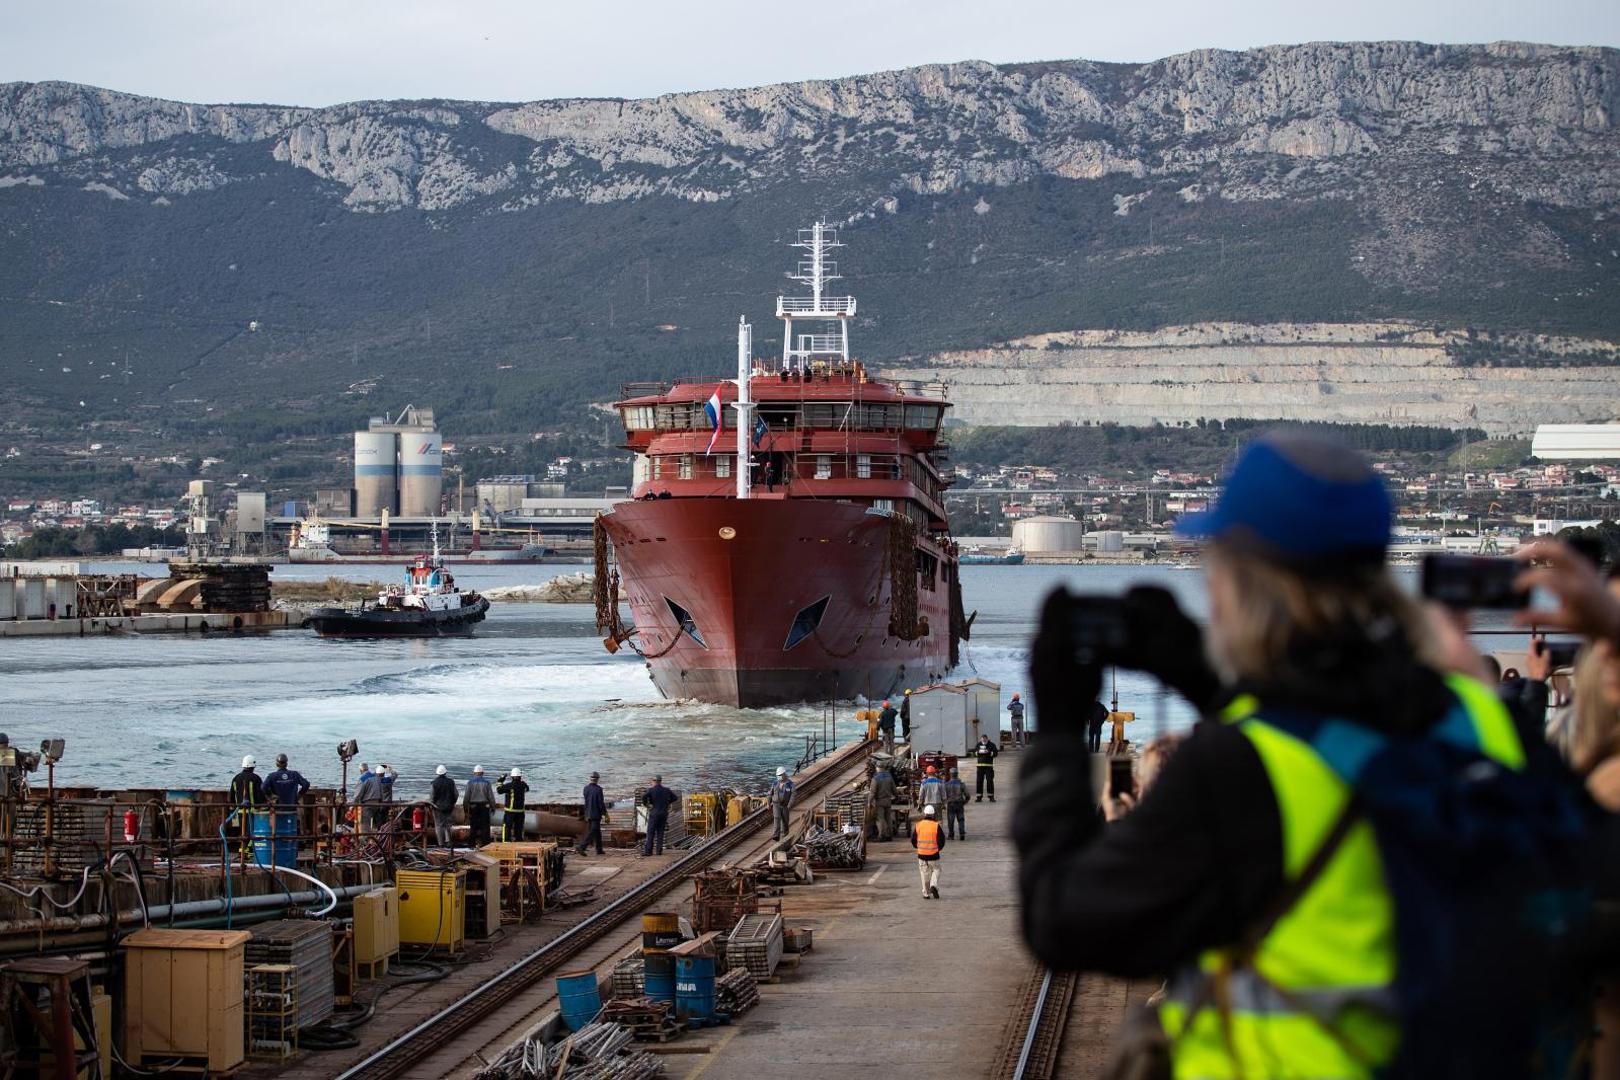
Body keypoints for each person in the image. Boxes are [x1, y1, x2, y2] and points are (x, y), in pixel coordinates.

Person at [1016, 433, 1587, 1079]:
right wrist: (1205, 679)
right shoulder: (1486, 718)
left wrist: (1059, 728)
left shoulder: (1238, 768)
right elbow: (1346, 726)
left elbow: (1061, 920)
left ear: (1240, 580)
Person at [229, 755, 266, 852]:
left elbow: (231, 796)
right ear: (253, 766)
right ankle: (248, 850)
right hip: (252, 811)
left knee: (243, 831)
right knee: (252, 831)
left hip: (239, 812)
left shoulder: (236, 778)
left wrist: (232, 809)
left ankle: (243, 849)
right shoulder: (256, 778)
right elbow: (260, 795)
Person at [910, 804, 945, 899]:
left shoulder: (918, 825)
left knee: (924, 873)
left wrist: (919, 847)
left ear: (924, 814)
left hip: (922, 855)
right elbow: (942, 840)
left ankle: (926, 893)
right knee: (937, 870)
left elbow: (913, 840)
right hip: (934, 854)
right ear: (933, 815)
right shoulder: (936, 826)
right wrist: (938, 849)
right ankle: (933, 885)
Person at [642, 775, 677, 855]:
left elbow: (643, 796)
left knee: (651, 832)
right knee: (660, 832)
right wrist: (667, 803)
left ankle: (648, 851)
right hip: (664, 813)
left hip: (654, 813)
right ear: (660, 781)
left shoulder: (651, 790)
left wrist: (646, 804)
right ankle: (659, 851)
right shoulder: (666, 790)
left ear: (654, 781)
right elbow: (675, 798)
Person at [464, 765, 495, 846]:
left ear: (474, 773)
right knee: (485, 826)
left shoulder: (470, 783)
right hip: (484, 806)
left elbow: (466, 797)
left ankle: (471, 844)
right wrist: (493, 807)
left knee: (473, 826)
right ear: (483, 773)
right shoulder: (487, 783)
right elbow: (491, 796)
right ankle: (486, 844)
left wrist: (465, 809)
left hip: (473, 807)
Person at [577, 771, 607, 856]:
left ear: (590, 779)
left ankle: (599, 849)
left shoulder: (585, 788)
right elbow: (600, 803)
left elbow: (587, 800)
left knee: (597, 831)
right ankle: (582, 847)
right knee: (593, 831)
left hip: (588, 813)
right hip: (596, 814)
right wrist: (605, 813)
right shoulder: (599, 789)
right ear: (597, 779)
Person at [497, 767, 529, 842]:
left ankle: (506, 842)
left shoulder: (509, 786)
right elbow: (527, 789)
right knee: (519, 828)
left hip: (510, 811)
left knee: (507, 826)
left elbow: (499, 790)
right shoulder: (523, 785)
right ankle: (519, 841)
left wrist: (501, 780)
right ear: (520, 776)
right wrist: (523, 782)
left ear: (512, 776)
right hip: (520, 811)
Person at [429, 765, 457, 848]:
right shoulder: (451, 782)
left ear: (437, 773)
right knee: (448, 825)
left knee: (439, 825)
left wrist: (432, 805)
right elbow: (456, 794)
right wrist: (452, 803)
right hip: (449, 807)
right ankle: (449, 842)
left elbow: (432, 797)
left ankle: (441, 844)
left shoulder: (434, 783)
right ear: (445, 772)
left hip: (438, 808)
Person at [871, 760, 898, 840]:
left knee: (880, 818)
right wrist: (896, 796)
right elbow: (894, 789)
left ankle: (881, 835)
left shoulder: (875, 778)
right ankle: (890, 835)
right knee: (888, 818)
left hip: (879, 801)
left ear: (877, 768)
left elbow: (872, 792)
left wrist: (869, 801)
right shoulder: (889, 776)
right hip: (888, 801)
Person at [354, 765, 384, 836]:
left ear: (361, 771)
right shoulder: (376, 778)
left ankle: (366, 840)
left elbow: (358, 793)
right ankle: (377, 837)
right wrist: (381, 803)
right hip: (377, 803)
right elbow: (381, 792)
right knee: (375, 823)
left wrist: (353, 803)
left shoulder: (363, 778)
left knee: (365, 823)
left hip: (367, 804)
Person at [769, 767, 795, 842]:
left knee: (785, 820)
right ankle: (776, 835)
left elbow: (793, 795)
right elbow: (770, 793)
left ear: (784, 774)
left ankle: (785, 834)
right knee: (777, 818)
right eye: (778, 775)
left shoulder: (790, 784)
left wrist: (789, 805)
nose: (779, 776)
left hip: (785, 806)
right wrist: (768, 803)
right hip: (776, 804)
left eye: (780, 775)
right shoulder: (775, 783)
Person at [943, 767, 969, 840]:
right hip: (959, 804)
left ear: (950, 774)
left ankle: (951, 835)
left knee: (950, 820)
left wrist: (945, 802)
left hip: (951, 804)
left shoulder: (946, 784)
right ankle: (962, 834)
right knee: (961, 819)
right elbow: (967, 795)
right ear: (957, 774)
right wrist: (965, 802)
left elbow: (943, 796)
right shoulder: (961, 784)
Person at [973, 734, 998, 801]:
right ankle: (979, 797)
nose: (984, 740)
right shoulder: (978, 745)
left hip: (988, 766)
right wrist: (978, 752)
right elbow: (974, 753)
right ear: (981, 739)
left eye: (985, 738)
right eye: (982, 739)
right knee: (979, 781)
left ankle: (991, 796)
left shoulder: (992, 745)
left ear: (987, 738)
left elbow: (995, 753)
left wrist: (989, 752)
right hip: (980, 766)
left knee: (990, 781)